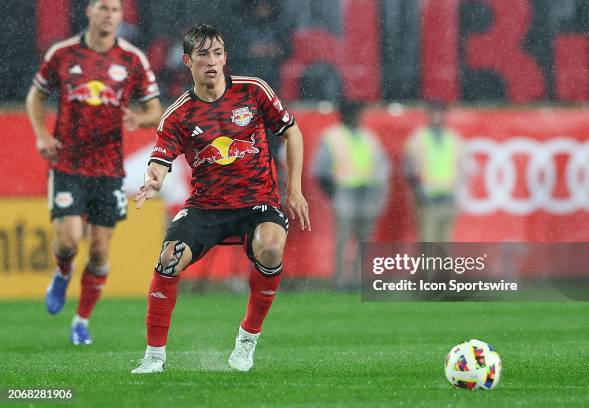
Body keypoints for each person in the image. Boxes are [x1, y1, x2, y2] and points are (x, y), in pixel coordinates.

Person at [130, 24, 310, 374]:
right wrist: (153, 180)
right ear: (187, 61)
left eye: (217, 53)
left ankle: (247, 339)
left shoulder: (253, 91)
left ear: (225, 58)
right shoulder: (179, 114)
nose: (211, 61)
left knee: (271, 248)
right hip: (206, 207)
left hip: (257, 203)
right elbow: (160, 159)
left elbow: (292, 132)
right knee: (168, 260)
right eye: (202, 54)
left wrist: (295, 190)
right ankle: (154, 357)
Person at [25, 0, 162, 345]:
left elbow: (154, 111)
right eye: (102, 7)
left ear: (120, 16)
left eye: (114, 9)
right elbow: (35, 97)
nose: (108, 14)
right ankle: (62, 272)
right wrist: (42, 134)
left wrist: (139, 118)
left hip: (108, 167)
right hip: (68, 162)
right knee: (70, 239)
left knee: (100, 250)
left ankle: (81, 320)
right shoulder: (63, 53)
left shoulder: (132, 59)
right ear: (88, 12)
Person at [312, 100, 389, 290]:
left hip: (367, 192)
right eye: (354, 113)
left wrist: (378, 193)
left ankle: (357, 279)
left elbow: (381, 167)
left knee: (363, 240)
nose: (357, 117)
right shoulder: (333, 137)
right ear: (345, 116)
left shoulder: (368, 137)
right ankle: (340, 281)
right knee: (344, 239)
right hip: (345, 193)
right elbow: (321, 170)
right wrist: (333, 194)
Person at [404, 102, 463, 242]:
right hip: (427, 198)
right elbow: (409, 169)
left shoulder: (453, 139)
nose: (437, 117)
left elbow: (462, 169)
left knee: (445, 242)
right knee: (427, 242)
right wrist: (418, 190)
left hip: (448, 196)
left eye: (440, 113)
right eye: (434, 113)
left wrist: (458, 192)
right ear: (428, 115)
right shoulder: (418, 138)